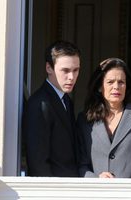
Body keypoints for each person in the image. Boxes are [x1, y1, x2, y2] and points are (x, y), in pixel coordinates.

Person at [76, 58, 131, 178]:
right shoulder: (84, 120)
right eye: (110, 82)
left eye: (121, 82)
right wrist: (96, 179)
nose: (116, 87)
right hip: (97, 194)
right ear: (99, 87)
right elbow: (81, 165)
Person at [24, 40, 81, 177]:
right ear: (49, 68)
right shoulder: (39, 103)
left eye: (76, 70)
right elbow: (38, 163)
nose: (71, 77)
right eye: (65, 71)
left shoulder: (66, 100)